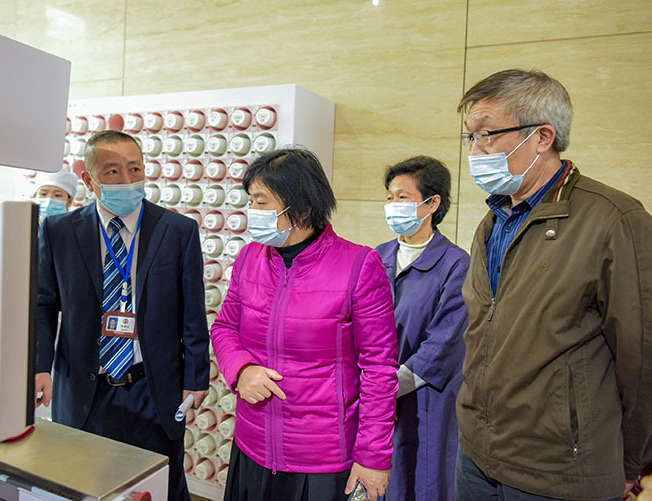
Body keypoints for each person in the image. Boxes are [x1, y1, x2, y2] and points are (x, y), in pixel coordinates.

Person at [455, 69, 652, 500]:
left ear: (542, 137)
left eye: (486, 134)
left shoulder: (614, 220)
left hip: (560, 469)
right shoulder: (494, 220)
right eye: (469, 137)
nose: (474, 150)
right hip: (476, 455)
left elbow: (641, 357)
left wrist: (634, 459)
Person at [210, 148, 399, 501]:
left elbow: (379, 368)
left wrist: (373, 456)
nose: (253, 212)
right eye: (251, 201)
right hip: (253, 444)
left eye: (262, 202)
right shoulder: (250, 257)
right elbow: (224, 328)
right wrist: (241, 369)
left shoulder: (359, 265)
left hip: (322, 460)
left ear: (302, 207)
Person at [34, 130, 210, 501]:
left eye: (135, 169)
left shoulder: (177, 231)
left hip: (154, 389)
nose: (127, 180)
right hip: (85, 388)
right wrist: (39, 366)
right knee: (84, 485)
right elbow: (44, 304)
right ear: (89, 180)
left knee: (158, 487)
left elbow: (193, 311)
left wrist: (196, 377)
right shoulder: (59, 231)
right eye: (112, 171)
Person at [375, 156, 469, 501]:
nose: (392, 206)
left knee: (420, 478)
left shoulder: (456, 264)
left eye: (403, 197)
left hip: (425, 396)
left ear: (432, 203)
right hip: (376, 395)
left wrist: (388, 387)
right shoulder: (377, 257)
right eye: (389, 197)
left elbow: (444, 343)